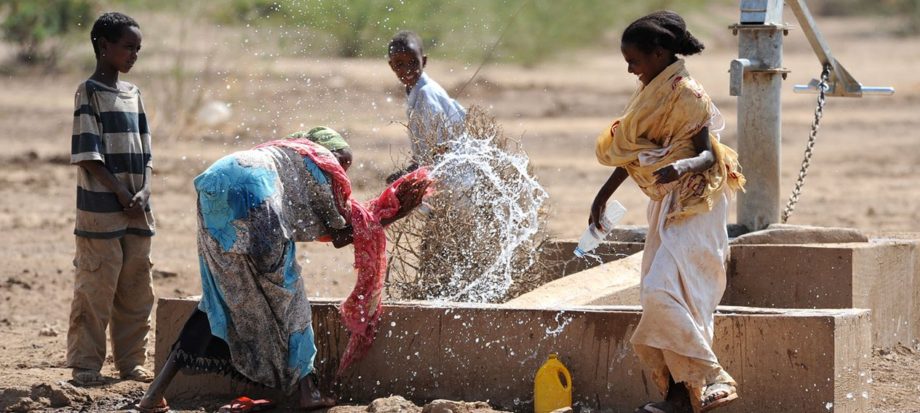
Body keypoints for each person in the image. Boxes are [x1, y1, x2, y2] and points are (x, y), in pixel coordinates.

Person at [137, 127, 431, 413]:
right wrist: (393, 212)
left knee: (219, 294)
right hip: (256, 195)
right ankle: (308, 391)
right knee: (289, 295)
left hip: (215, 184)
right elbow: (341, 236)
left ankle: (154, 394)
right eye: (343, 160)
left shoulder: (282, 153)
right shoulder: (320, 162)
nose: (343, 171)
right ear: (327, 150)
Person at [589, 11, 745, 413]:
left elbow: (707, 153)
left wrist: (683, 166)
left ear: (658, 54)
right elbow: (636, 150)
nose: (629, 69)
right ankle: (680, 397)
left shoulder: (688, 93)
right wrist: (602, 196)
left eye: (633, 61)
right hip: (665, 200)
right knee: (666, 296)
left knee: (668, 291)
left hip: (697, 200)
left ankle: (714, 377)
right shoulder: (649, 91)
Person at [67, 11, 156, 387]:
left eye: (138, 49)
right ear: (104, 47)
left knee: (136, 288)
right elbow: (88, 155)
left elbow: (146, 152)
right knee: (96, 287)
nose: (134, 55)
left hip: (137, 209)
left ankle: (131, 362)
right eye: (127, 48)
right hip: (102, 211)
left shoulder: (133, 94)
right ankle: (86, 365)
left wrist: (144, 191)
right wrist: (120, 193)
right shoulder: (88, 92)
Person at [386, 30, 466, 183]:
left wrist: (411, 172)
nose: (407, 69)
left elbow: (440, 150)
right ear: (392, 65)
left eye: (413, 62)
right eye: (400, 64)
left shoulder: (426, 95)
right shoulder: (414, 90)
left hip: (453, 176)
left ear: (424, 61)